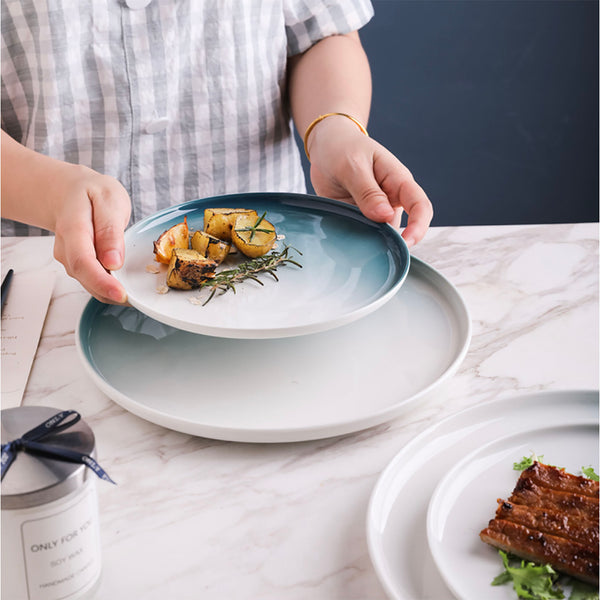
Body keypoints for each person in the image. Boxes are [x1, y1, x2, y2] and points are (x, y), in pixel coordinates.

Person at [1, 0, 433, 304]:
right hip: (42, 281)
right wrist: (50, 191)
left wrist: (333, 128)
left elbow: (321, 32)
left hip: (279, 272)